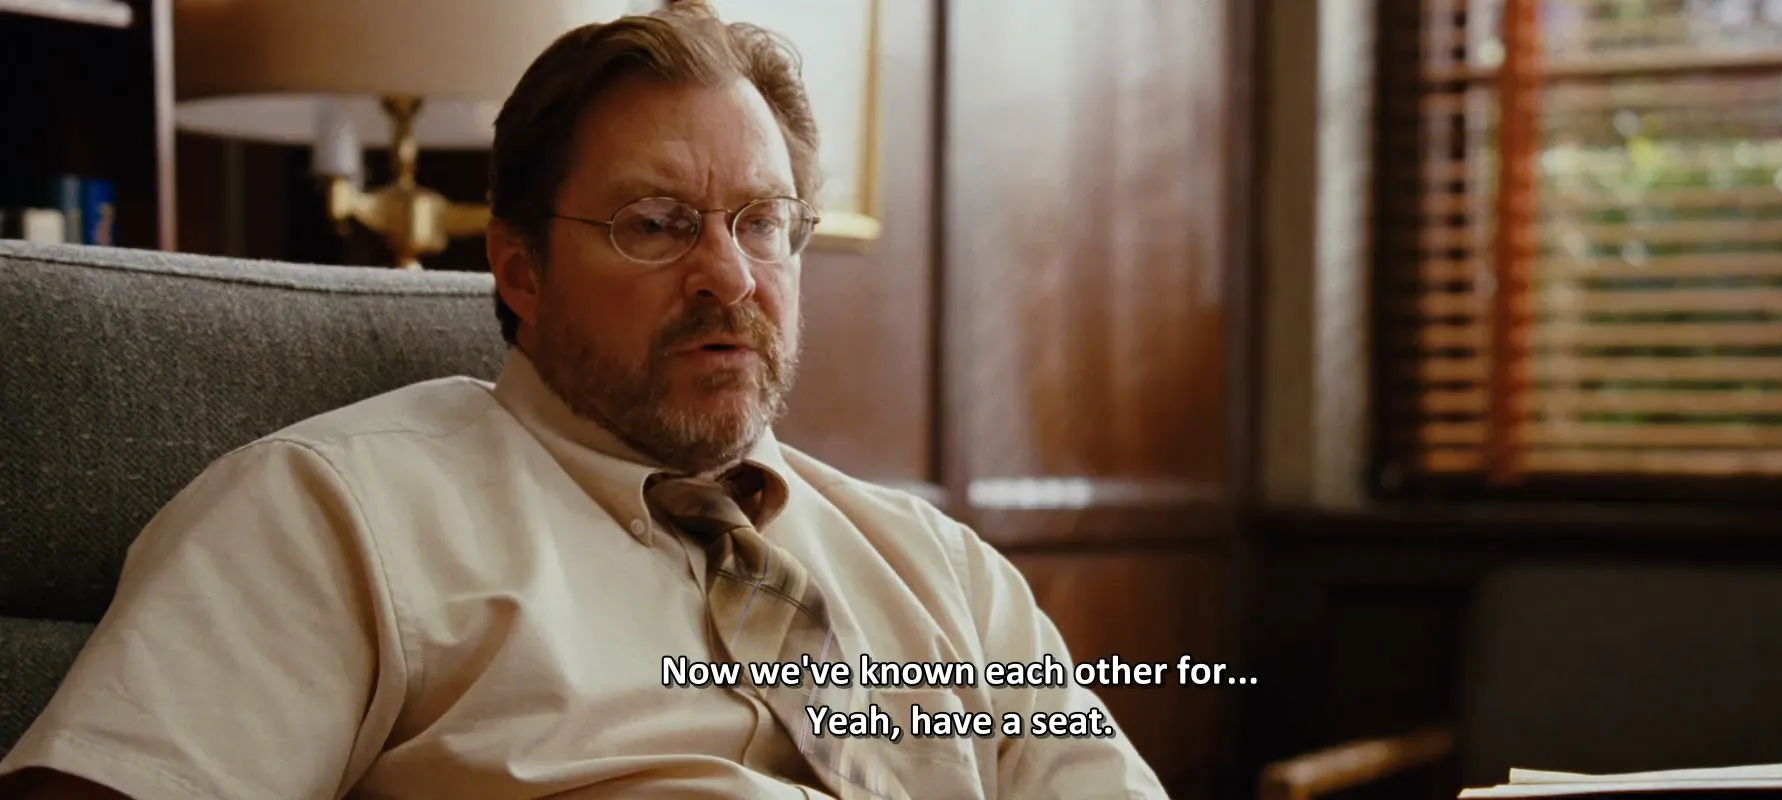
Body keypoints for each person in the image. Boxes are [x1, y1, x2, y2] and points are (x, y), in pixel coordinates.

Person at [0, 2, 1168, 798]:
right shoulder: (331, 513)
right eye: (656, 224)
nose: (729, 276)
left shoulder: (943, 569)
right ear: (520, 269)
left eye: (763, 222)